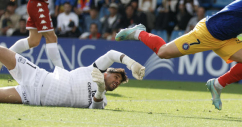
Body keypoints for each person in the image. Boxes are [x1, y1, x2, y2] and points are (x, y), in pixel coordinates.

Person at [0, 46, 145, 108]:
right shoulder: (93, 70)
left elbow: (94, 109)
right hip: (40, 77)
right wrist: (131, 64)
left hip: (33, 98)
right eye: (116, 77)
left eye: (119, 83)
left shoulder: (102, 100)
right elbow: (111, 54)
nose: (116, 82)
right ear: (106, 72)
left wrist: (100, 89)